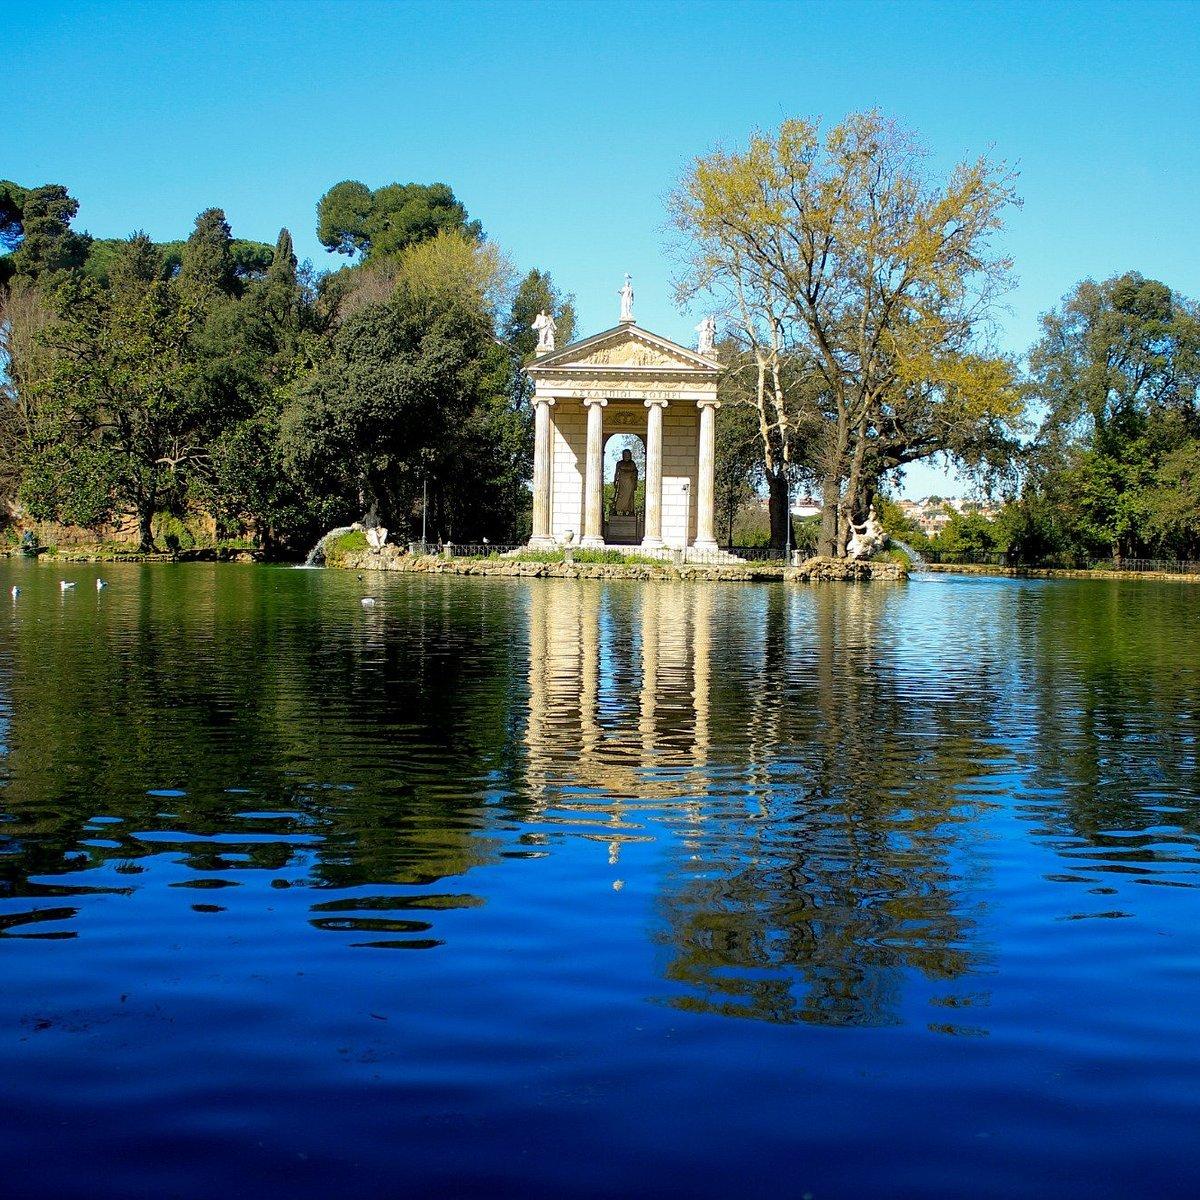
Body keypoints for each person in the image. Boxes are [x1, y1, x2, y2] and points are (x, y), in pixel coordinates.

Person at [613, 449, 638, 516]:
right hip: (622, 482)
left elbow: (635, 471)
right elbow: (616, 473)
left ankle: (630, 511)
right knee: (620, 496)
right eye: (625, 454)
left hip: (630, 481)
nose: (627, 456)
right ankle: (617, 510)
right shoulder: (619, 463)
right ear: (623, 455)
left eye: (628, 454)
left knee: (630, 497)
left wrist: (635, 482)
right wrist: (615, 480)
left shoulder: (632, 463)